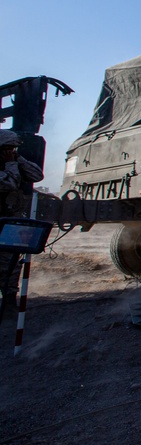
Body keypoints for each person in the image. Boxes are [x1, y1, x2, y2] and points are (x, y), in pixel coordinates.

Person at [0, 130, 43, 311]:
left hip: (9, 223)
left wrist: (18, 159)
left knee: (10, 264)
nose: (11, 151)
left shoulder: (13, 163)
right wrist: (11, 163)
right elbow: (9, 183)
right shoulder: (9, 167)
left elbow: (37, 176)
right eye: (7, 149)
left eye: (13, 148)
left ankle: (9, 304)